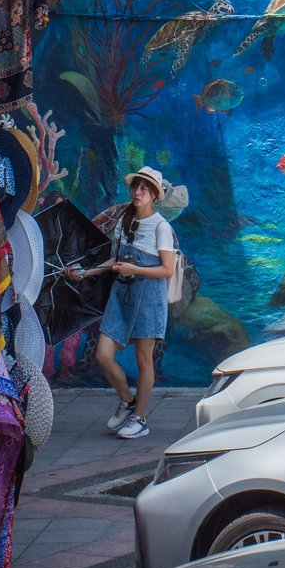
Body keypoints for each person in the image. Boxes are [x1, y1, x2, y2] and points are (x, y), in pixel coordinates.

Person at [63, 168, 177, 441]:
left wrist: (134, 269)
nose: (138, 193)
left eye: (144, 190)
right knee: (103, 355)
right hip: (121, 296)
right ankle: (127, 400)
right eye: (136, 188)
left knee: (143, 360)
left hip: (148, 299)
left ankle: (140, 417)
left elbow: (167, 270)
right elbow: (113, 261)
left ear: (154, 196)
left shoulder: (162, 226)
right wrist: (83, 272)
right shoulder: (125, 220)